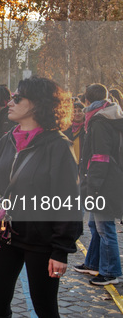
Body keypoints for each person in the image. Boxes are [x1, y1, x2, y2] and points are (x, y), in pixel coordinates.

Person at [0, 76, 82, 318]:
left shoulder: (58, 146)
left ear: (38, 104)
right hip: (5, 235)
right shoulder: (8, 140)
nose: (10, 102)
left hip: (41, 240)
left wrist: (61, 250)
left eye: (17, 99)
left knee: (45, 309)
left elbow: (69, 201)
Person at [73, 83, 123, 285]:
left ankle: (112, 272)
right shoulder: (109, 116)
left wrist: (92, 185)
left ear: (87, 101)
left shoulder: (99, 121)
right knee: (95, 224)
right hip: (106, 178)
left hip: (103, 182)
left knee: (104, 227)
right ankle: (93, 263)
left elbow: (100, 156)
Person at [63, 101, 85, 165]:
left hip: (83, 165)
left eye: (80, 111)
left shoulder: (88, 128)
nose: (77, 114)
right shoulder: (65, 129)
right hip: (69, 164)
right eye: (74, 111)